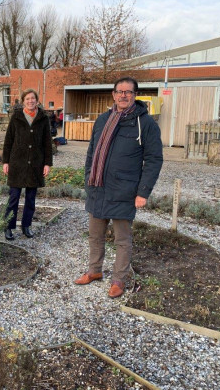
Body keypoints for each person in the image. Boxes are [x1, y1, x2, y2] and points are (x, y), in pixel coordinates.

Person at [74, 77, 163, 298]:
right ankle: (94, 271)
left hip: (124, 190)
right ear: (113, 95)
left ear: (135, 95)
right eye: (119, 91)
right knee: (95, 235)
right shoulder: (103, 119)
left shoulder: (146, 123)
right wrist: (88, 178)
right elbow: (91, 153)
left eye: (128, 92)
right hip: (98, 188)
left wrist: (143, 192)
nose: (123, 95)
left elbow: (154, 159)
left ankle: (119, 280)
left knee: (122, 239)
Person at [2, 89, 53, 240]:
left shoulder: (43, 118)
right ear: (23, 101)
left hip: (35, 164)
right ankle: (8, 227)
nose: (30, 101)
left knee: (31, 198)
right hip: (17, 163)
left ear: (37, 101)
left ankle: (26, 225)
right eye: (27, 99)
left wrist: (47, 163)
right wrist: (6, 161)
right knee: (14, 198)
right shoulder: (16, 117)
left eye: (33, 98)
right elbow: (8, 141)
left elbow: (47, 143)